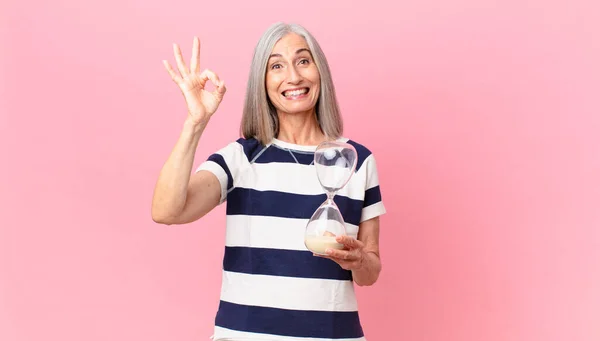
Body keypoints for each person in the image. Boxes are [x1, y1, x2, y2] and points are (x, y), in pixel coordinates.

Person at [151, 22, 386, 341]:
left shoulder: (356, 160)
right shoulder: (243, 157)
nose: (293, 77)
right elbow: (167, 211)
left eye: (303, 61)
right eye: (276, 65)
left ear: (320, 71)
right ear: (262, 82)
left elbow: (369, 273)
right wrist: (195, 123)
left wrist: (358, 259)